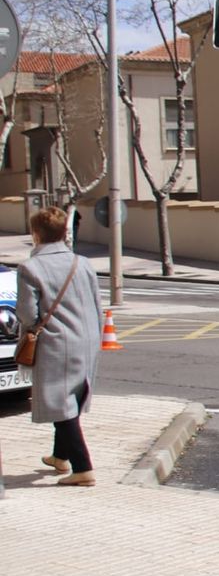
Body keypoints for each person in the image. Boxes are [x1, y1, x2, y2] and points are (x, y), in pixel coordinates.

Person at [18, 207, 103, 486]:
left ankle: (83, 468)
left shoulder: (31, 268)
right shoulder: (83, 263)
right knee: (71, 396)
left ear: (36, 234)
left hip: (56, 341)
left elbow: (27, 315)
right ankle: (59, 457)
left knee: (60, 400)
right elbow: (96, 305)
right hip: (88, 339)